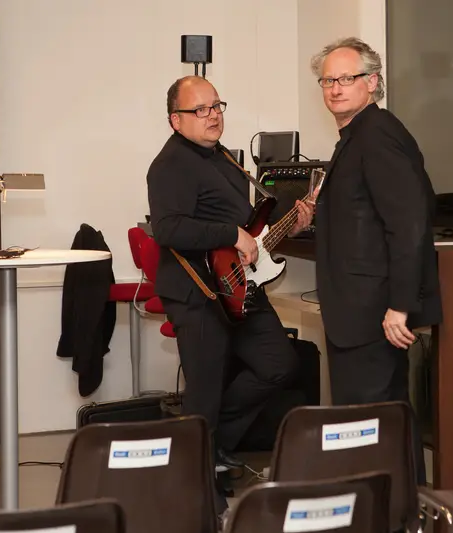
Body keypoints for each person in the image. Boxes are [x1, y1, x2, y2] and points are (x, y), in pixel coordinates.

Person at [146, 76, 313, 517]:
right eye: (200, 109)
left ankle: (213, 445)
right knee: (204, 391)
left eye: (217, 105)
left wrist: (284, 228)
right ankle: (200, 491)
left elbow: (247, 227)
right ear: (175, 120)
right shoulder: (169, 165)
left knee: (279, 365)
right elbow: (168, 229)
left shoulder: (221, 157)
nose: (213, 114)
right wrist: (230, 233)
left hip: (239, 287)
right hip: (196, 292)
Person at [310, 37, 443, 485]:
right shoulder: (356, 136)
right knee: (383, 428)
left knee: (369, 431)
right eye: (327, 80)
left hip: (374, 313)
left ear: (372, 82)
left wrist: (400, 304)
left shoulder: (377, 133)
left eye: (346, 78)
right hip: (359, 311)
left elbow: (408, 223)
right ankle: (403, 512)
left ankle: (385, 514)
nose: (334, 88)